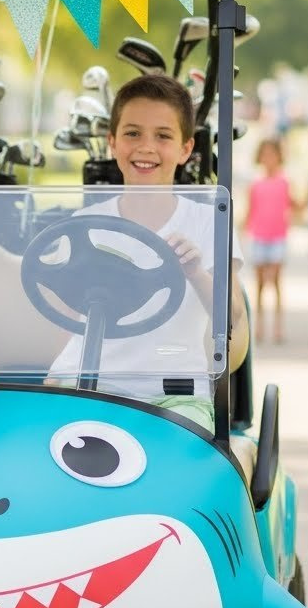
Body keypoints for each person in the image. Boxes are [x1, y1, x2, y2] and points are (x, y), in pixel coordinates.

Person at [46, 74, 248, 432]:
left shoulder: (208, 220)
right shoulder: (84, 223)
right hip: (86, 382)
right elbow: (64, 318)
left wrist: (196, 273)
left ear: (186, 149)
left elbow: (231, 314)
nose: (146, 147)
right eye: (133, 133)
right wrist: (58, 369)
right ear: (112, 142)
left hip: (172, 392)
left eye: (163, 136)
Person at [244, 136, 293, 343]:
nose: (268, 158)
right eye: (264, 154)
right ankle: (260, 327)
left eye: (272, 154)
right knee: (261, 286)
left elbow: (293, 205)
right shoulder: (255, 184)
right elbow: (250, 211)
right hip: (259, 238)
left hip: (278, 238)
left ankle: (278, 328)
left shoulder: (284, 182)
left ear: (279, 157)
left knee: (276, 283)